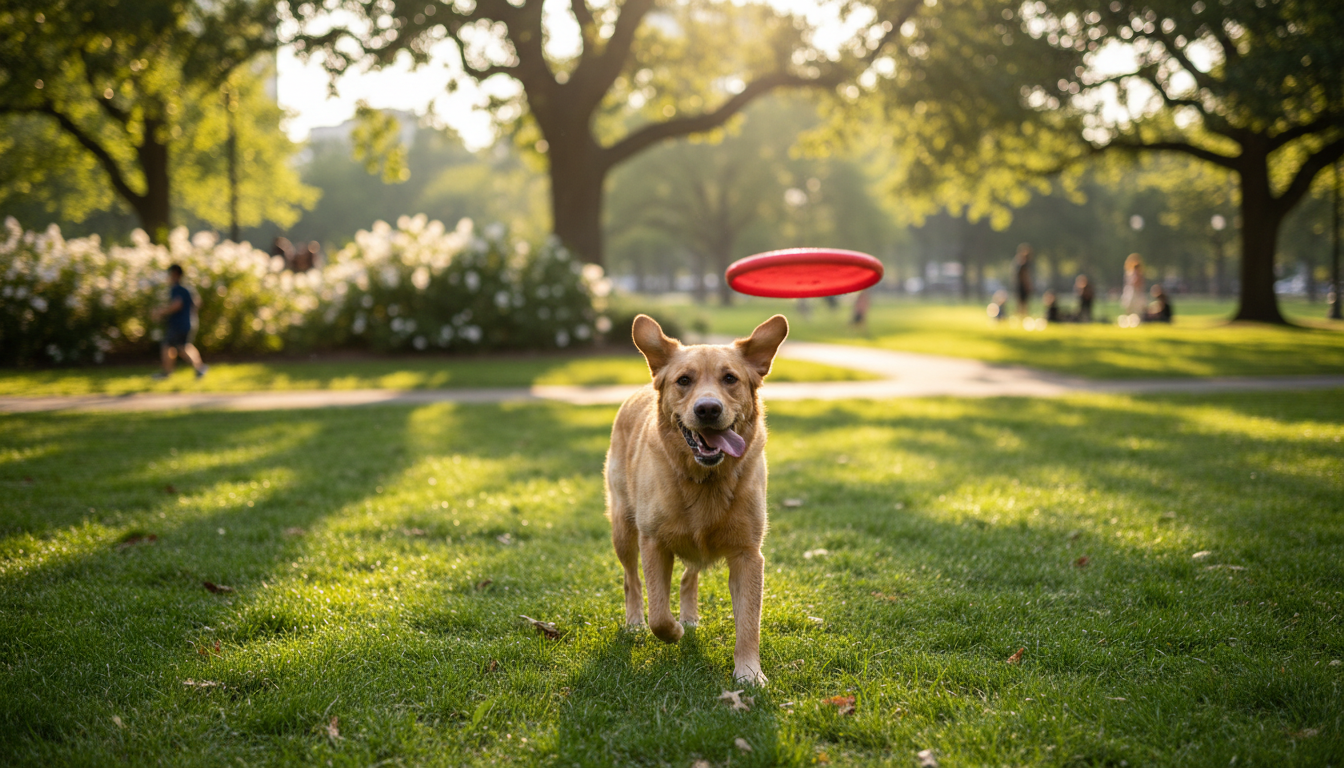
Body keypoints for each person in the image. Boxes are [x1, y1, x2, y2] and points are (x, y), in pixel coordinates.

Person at [151, 264, 207, 380]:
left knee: (168, 346)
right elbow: (197, 304)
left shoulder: (177, 288)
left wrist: (161, 312)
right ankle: (200, 368)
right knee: (183, 347)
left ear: (175, 274)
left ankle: (166, 373)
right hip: (188, 323)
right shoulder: (188, 289)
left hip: (178, 324)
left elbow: (177, 304)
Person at [1120, 253, 1146, 319]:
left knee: (1139, 308)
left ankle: (1138, 319)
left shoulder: (1140, 274)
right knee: (1130, 307)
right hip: (1131, 292)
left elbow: (1140, 284)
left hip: (1138, 292)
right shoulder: (1129, 273)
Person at [1013, 244, 1033, 316]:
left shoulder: (1018, 262)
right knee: (1022, 302)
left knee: (1022, 302)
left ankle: (1022, 315)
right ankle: (1021, 315)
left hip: (1020, 285)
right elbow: (1025, 275)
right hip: (1021, 285)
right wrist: (1027, 285)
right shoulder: (1022, 263)